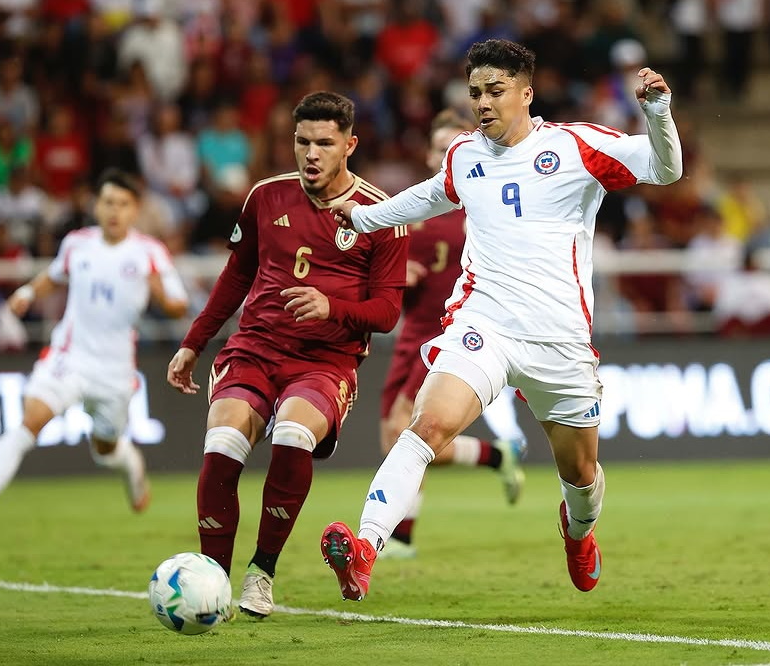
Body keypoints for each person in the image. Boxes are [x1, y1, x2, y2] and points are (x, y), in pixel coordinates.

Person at [320, 39, 684, 601]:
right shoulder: (464, 155)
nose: (483, 103)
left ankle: (578, 532)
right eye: (474, 93)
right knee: (426, 428)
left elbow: (666, 169)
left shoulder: (575, 146)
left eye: (495, 91)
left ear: (526, 93)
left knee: (582, 475)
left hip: (559, 341)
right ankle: (366, 548)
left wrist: (657, 112)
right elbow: (424, 199)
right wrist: (365, 217)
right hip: (484, 324)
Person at [165, 92, 409, 618]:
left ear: (350, 144)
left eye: (324, 143)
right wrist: (194, 341)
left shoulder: (382, 213)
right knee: (224, 444)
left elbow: (388, 311)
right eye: (302, 142)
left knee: (293, 435)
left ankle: (262, 572)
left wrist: (331, 306)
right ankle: (212, 580)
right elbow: (237, 276)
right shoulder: (265, 197)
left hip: (326, 360)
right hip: (254, 348)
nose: (311, 154)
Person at [0, 168, 189, 537]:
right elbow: (54, 274)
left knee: (105, 449)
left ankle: (131, 465)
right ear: (97, 205)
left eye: (123, 204)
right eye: (108, 202)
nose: (114, 211)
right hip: (69, 357)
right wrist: (28, 293)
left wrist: (160, 294)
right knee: (29, 421)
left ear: (135, 210)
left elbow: (179, 305)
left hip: (113, 372)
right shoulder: (78, 243)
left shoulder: (150, 253)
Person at [378, 108, 528, 561]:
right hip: (410, 331)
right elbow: (387, 268)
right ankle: (495, 456)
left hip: (449, 331)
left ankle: (400, 534)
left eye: (453, 146)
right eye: (439, 147)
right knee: (397, 434)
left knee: (402, 428)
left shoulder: (479, 207)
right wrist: (395, 277)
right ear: (428, 153)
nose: (446, 155)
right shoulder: (416, 205)